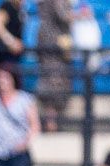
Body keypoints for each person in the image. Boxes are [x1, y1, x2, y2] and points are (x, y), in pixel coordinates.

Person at [35, 0, 74, 129]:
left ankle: (53, 121)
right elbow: (62, 15)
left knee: (56, 80)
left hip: (51, 40)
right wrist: (81, 15)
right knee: (53, 80)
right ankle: (51, 123)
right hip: (53, 41)